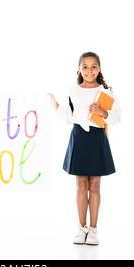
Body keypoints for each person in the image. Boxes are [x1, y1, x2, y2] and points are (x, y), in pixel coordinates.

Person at [49, 51, 121, 245]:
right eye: (85, 67)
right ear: (79, 69)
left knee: (95, 185)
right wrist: (56, 106)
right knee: (81, 184)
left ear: (100, 68)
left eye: (94, 66)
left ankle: (94, 230)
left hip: (97, 139)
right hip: (79, 137)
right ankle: (81, 229)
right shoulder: (72, 90)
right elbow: (67, 118)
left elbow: (117, 118)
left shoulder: (107, 91)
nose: (90, 71)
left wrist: (102, 112)